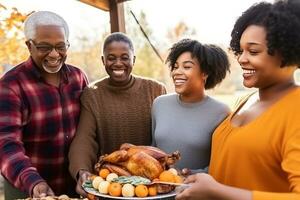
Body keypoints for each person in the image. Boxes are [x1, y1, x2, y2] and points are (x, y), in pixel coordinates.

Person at [176, 0, 300, 199]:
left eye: (253, 51)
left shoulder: (296, 110)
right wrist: (202, 178)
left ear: (287, 51)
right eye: (240, 50)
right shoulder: (247, 100)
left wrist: (216, 191)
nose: (241, 59)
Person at [0, 11, 88, 198]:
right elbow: (6, 143)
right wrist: (33, 181)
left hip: (74, 187)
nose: (54, 54)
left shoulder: (78, 78)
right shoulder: (11, 85)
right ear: (29, 45)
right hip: (28, 189)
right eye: (44, 47)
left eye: (60, 46)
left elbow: (87, 132)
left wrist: (83, 170)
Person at [68, 32, 167, 197]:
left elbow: (166, 134)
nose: (118, 63)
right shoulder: (92, 94)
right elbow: (84, 139)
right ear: (103, 61)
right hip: (111, 184)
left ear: (133, 59)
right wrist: (82, 171)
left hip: (152, 185)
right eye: (111, 58)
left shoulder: (155, 90)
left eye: (125, 57)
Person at [152, 39, 230, 175]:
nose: (177, 72)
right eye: (175, 67)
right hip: (156, 191)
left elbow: (222, 165)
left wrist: (188, 174)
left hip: (197, 191)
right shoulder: (159, 104)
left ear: (205, 73)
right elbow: (153, 149)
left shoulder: (221, 112)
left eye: (187, 67)